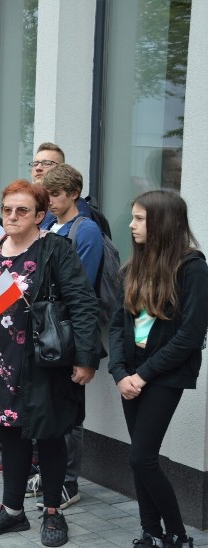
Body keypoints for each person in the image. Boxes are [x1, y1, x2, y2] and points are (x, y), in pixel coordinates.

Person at [0, 180, 100, 547]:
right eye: (8, 209)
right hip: (2, 362)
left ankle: (53, 511)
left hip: (45, 361)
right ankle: (12, 512)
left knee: (50, 433)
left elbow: (82, 303)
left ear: (40, 215)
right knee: (11, 434)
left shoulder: (55, 249)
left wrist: (87, 358)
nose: (12, 216)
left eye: (22, 210)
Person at [109, 190, 207, 548]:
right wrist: (120, 372)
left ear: (162, 224)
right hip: (131, 373)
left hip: (163, 374)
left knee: (141, 457)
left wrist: (142, 375)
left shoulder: (192, 266)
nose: (132, 225)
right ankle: (150, 532)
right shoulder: (134, 265)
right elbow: (118, 325)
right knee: (141, 460)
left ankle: (178, 536)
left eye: (139, 219)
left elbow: (190, 335)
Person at [36, 164, 104, 508]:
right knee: (47, 404)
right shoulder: (48, 224)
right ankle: (48, 474)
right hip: (43, 329)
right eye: (46, 195)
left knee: (69, 410)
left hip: (67, 331)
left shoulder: (85, 230)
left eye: (56, 195)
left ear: (74, 194)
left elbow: (81, 288)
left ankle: (68, 481)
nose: (49, 201)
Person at [31, 142, 112, 238]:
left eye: (46, 163)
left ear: (61, 168)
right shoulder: (30, 205)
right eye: (35, 164)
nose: (38, 168)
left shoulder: (78, 213)